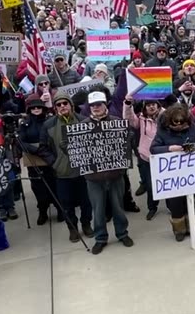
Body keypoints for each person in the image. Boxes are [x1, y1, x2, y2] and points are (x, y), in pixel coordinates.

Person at [82, 92, 133, 255]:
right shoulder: (82, 126)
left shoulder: (117, 122)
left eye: (99, 104)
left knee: (118, 207)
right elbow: (74, 149)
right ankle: (100, 238)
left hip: (115, 174)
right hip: (93, 177)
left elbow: (127, 145)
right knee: (98, 209)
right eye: (93, 105)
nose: (96, 108)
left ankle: (122, 233)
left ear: (105, 105)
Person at [150, 105, 195, 242]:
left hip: (189, 174)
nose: (178, 126)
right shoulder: (163, 131)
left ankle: (192, 227)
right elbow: (153, 149)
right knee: (176, 205)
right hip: (172, 177)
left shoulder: (192, 128)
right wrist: (169, 148)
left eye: (181, 123)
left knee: (190, 202)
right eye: (175, 123)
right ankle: (179, 230)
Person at [45, 94, 92, 243]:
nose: (62, 106)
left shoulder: (84, 120)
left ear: (71, 105)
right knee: (66, 204)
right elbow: (43, 148)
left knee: (86, 202)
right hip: (62, 173)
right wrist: (55, 163)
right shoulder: (49, 125)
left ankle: (86, 224)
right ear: (55, 108)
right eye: (58, 105)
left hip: (83, 172)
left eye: (65, 103)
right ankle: (72, 228)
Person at [19, 97, 60, 225]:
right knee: (38, 187)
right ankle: (42, 211)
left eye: (38, 107)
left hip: (50, 158)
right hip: (34, 160)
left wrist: (45, 150)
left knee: (54, 185)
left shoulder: (50, 121)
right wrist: (35, 150)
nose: (36, 109)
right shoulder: (25, 124)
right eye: (33, 108)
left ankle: (60, 209)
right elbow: (20, 142)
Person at [125, 97, 163, 220]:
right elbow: (128, 119)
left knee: (167, 184)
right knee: (150, 185)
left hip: (163, 156)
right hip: (146, 157)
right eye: (148, 105)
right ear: (144, 107)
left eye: (153, 104)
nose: (151, 107)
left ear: (158, 105)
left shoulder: (166, 116)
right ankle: (152, 208)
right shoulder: (141, 119)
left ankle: (171, 206)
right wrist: (128, 104)